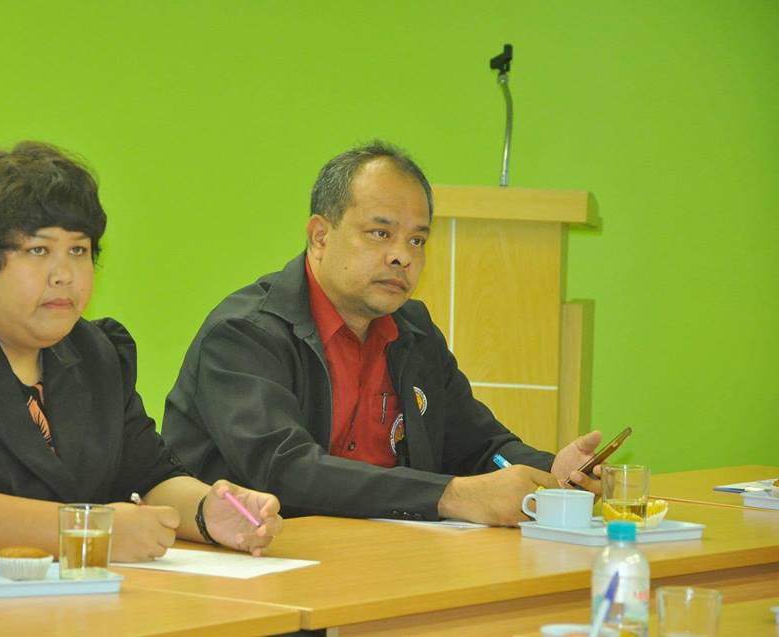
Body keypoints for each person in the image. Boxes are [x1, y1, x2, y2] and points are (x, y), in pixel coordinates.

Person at [0, 141, 282, 572]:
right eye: (38, 250)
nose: (65, 275)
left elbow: (148, 475)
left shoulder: (95, 353)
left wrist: (208, 511)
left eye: (78, 250)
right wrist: (83, 530)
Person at [162, 140, 602, 525]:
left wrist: (554, 473)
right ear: (320, 236)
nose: (401, 257)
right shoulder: (245, 335)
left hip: (379, 557)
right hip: (260, 564)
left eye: (417, 240)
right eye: (380, 233)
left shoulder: (414, 333)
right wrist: (450, 496)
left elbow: (479, 447)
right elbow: (286, 471)